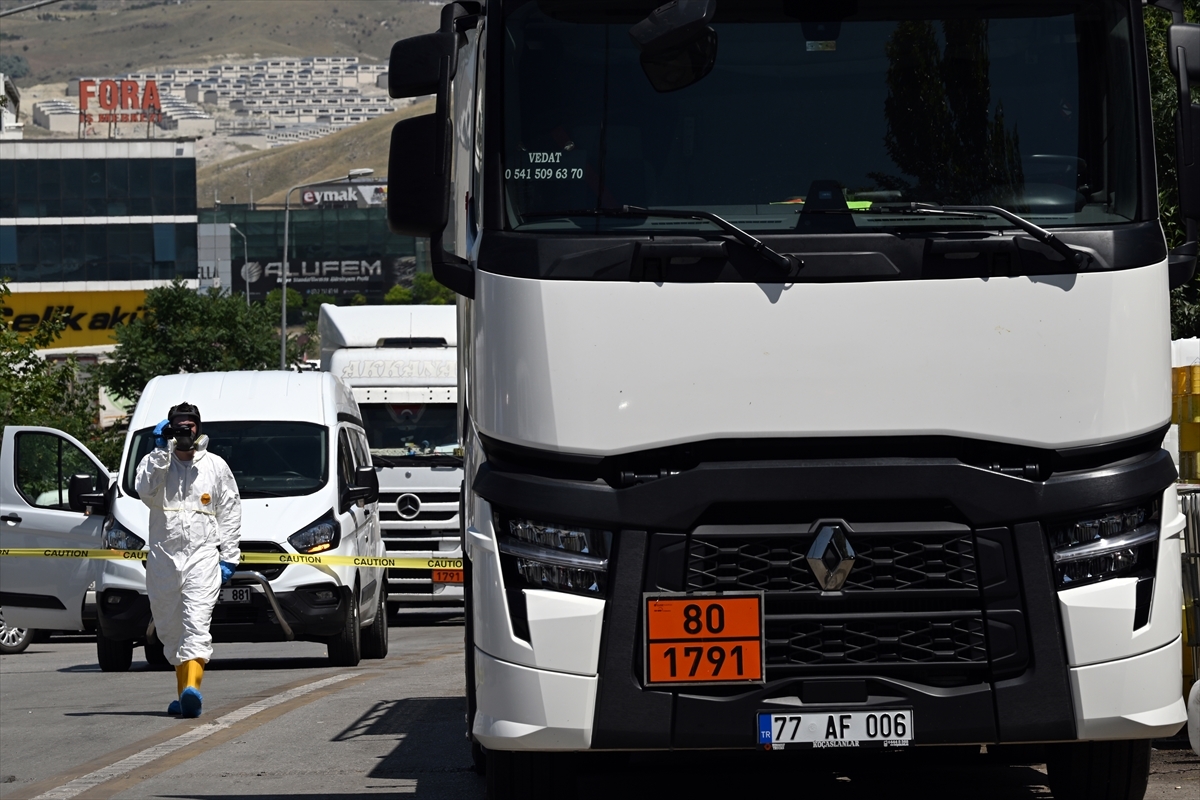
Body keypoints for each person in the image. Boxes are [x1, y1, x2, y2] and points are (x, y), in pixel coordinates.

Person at [135, 402, 241, 719]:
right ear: (169, 428)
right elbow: (144, 491)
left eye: (190, 425)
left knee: (196, 621)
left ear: (199, 427)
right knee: (170, 627)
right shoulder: (157, 463)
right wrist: (158, 451)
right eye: (178, 425)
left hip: (203, 556)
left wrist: (229, 556)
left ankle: (193, 690)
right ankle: (184, 696)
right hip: (164, 557)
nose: (185, 430)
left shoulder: (215, 467)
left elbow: (230, 512)